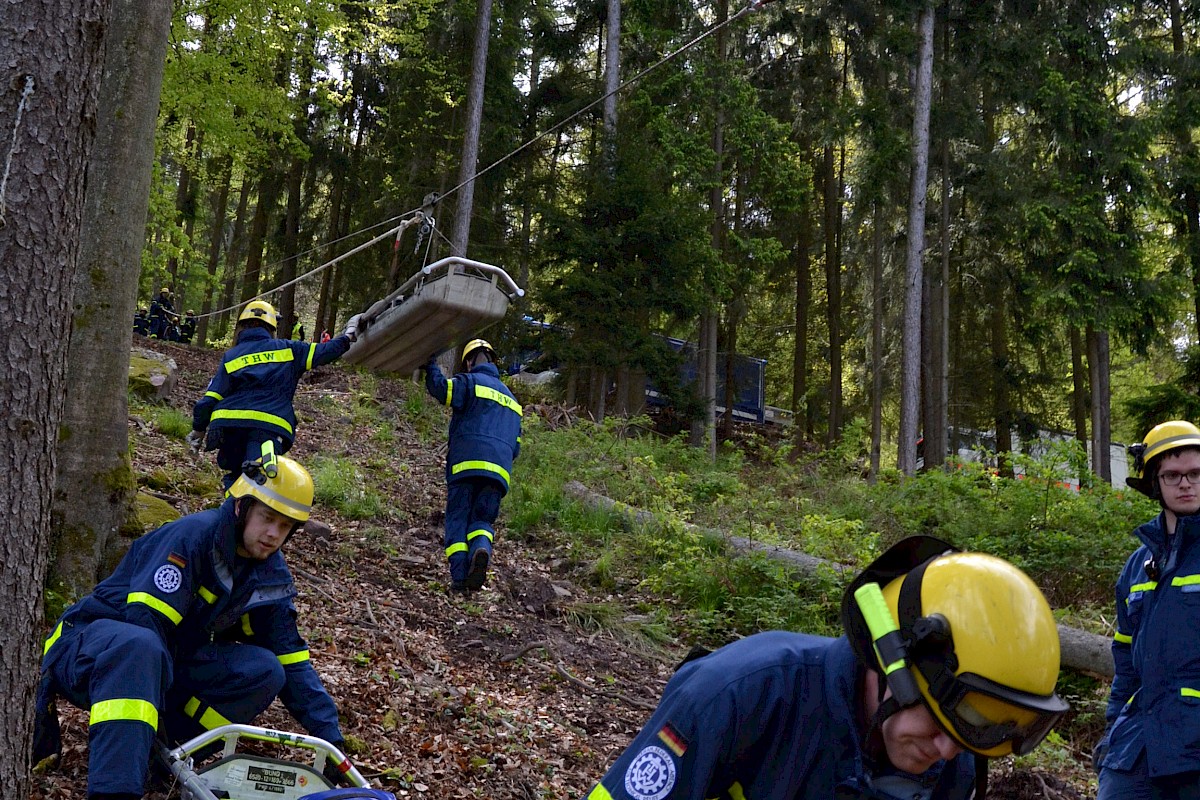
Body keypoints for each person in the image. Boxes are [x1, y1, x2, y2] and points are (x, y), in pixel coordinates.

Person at [586, 535, 1069, 800]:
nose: (946, 751)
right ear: (889, 663)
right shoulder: (739, 695)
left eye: (971, 730)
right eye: (939, 720)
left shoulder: (957, 757)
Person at [33, 457, 349, 800]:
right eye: (267, 518)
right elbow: (146, 620)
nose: (273, 534)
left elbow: (292, 661)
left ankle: (167, 756)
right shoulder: (192, 539)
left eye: (285, 526)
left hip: (160, 661)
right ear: (242, 508)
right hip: (88, 648)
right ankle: (115, 789)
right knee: (141, 646)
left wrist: (331, 741)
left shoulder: (269, 576)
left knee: (265, 671)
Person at [1095, 420, 1200, 799]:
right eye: (1173, 475)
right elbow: (1124, 658)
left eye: (1195, 473)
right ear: (1155, 483)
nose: (1185, 483)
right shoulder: (1137, 566)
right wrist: (1114, 730)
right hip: (1137, 747)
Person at [188, 300, 361, 490]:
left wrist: (198, 430)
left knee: (236, 478)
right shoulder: (289, 349)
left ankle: (232, 510)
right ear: (272, 328)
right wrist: (348, 335)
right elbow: (325, 351)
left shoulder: (232, 356)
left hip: (229, 425)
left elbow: (209, 400)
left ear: (241, 327)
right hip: (269, 424)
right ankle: (260, 475)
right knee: (258, 481)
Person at [423, 339, 522, 592]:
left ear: (469, 361)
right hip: (498, 472)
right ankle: (480, 549)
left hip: (467, 464)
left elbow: (442, 390)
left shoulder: (469, 382)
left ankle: (459, 577)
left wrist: (430, 364)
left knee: (458, 518)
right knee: (483, 520)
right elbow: (517, 447)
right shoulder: (513, 403)